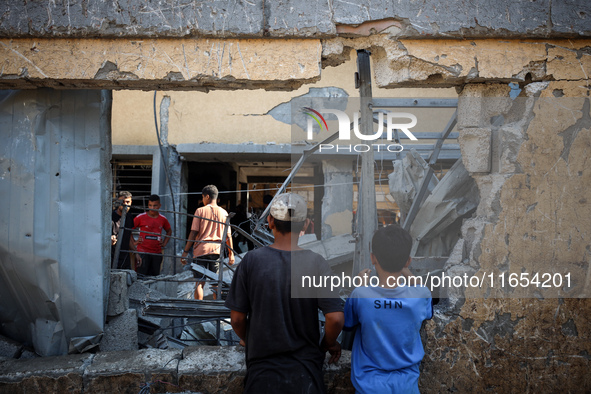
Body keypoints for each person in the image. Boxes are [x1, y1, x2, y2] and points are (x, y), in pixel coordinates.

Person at [225, 193, 344, 393]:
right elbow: (335, 319)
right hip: (306, 376)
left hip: (261, 376)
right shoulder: (316, 263)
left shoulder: (251, 261)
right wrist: (327, 344)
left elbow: (236, 319)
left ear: (270, 221)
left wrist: (248, 338)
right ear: (305, 225)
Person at [344, 224, 433, 394]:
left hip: (368, 386)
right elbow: (424, 298)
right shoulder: (421, 294)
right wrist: (407, 271)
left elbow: (349, 323)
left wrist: (362, 286)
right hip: (407, 386)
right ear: (408, 261)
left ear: (373, 258)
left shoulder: (360, 295)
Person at [181, 185, 234, 300]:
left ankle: (198, 308)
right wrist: (231, 254)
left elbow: (193, 233)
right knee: (216, 283)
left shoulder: (200, 210)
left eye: (203, 197)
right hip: (216, 251)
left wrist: (185, 252)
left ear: (207, 196)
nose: (202, 200)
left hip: (201, 251)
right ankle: (216, 309)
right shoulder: (224, 213)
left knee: (199, 283)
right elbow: (228, 236)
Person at [133, 194, 172, 276]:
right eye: (150, 205)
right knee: (141, 277)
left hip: (156, 253)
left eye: (155, 205)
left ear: (159, 206)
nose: (152, 208)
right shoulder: (140, 217)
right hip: (142, 253)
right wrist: (134, 242)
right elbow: (129, 230)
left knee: (154, 278)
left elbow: (169, 231)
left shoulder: (163, 219)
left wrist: (164, 243)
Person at [111, 191, 138, 269]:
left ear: (131, 202)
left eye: (127, 202)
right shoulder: (111, 217)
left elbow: (128, 236)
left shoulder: (129, 217)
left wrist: (135, 252)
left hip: (125, 257)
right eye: (122, 202)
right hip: (112, 257)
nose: (125, 204)